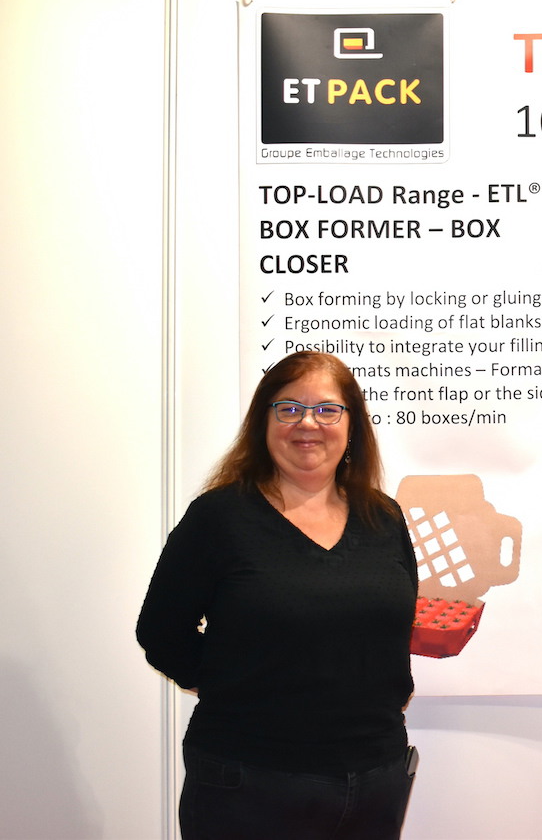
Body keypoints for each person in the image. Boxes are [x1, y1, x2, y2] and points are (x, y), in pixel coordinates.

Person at [137, 351, 419, 840]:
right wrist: (234, 686)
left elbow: (393, 626)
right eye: (288, 408)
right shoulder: (219, 518)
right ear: (262, 423)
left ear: (352, 425)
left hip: (376, 778)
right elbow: (161, 631)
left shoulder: (384, 517)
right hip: (249, 781)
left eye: (327, 409)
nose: (308, 423)